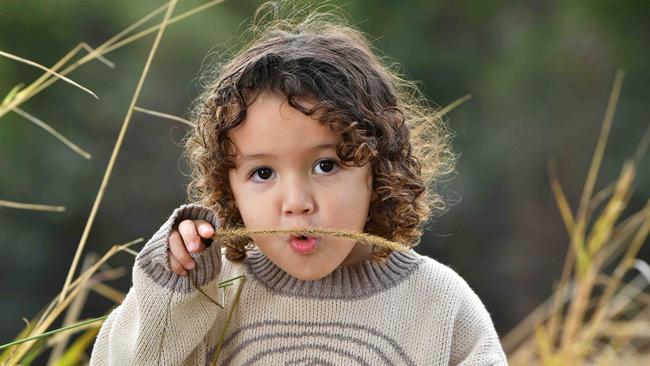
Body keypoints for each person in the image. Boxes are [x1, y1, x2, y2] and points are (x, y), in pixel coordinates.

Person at [90, 2, 508, 365]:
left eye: (325, 165)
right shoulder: (216, 292)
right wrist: (173, 286)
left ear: (378, 168)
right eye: (263, 173)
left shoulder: (440, 305)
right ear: (228, 186)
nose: (296, 202)